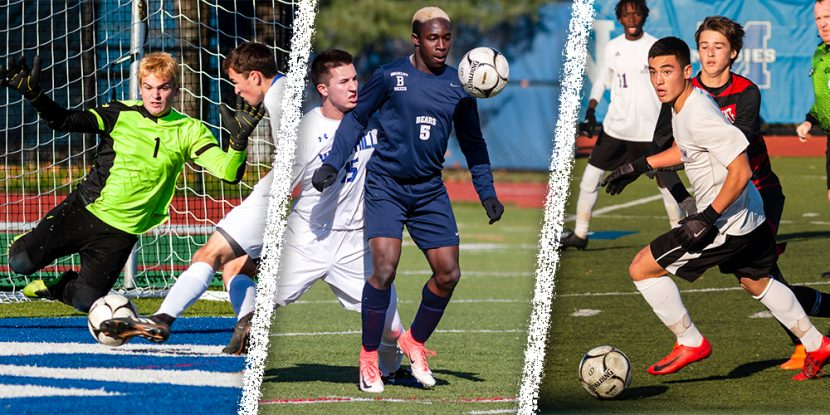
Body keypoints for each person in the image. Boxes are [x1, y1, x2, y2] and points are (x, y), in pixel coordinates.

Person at [604, 36, 830, 381]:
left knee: (642, 268)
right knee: (756, 280)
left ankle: (690, 340)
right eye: (652, 72)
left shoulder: (698, 111)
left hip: (726, 220)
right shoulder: (684, 103)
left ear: (686, 71)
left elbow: (742, 170)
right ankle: (816, 344)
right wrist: (638, 166)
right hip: (747, 213)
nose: (659, 80)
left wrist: (706, 219)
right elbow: (688, 150)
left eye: (667, 71)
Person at [312, 6, 504, 393]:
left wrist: (487, 193)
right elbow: (355, 118)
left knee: (449, 273)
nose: (441, 45)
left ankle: (414, 342)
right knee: (384, 269)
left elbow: (473, 143)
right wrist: (334, 162)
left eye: (446, 38)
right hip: (386, 185)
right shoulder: (390, 76)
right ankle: (368, 359)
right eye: (433, 38)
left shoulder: (460, 87)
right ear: (415, 39)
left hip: (429, 189)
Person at [4, 52, 264, 313]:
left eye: (163, 87)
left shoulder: (190, 130)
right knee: (20, 262)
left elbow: (229, 173)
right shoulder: (120, 113)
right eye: (149, 87)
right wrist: (34, 94)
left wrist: (238, 144)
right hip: (83, 211)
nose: (156, 95)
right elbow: (63, 121)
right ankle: (34, 239)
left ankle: (56, 287)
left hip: (121, 233)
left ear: (176, 88)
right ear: (140, 87)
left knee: (85, 302)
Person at [94, 42, 284, 353]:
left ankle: (162, 319)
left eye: (236, 82)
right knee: (235, 268)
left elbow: (303, 159)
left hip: (284, 198)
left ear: (255, 76)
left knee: (207, 255)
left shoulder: (278, 98)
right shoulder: (291, 89)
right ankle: (252, 325)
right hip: (302, 198)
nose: (236, 91)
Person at [561, 0, 682, 250]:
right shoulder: (613, 47)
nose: (631, 18)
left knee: (665, 182)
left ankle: (680, 233)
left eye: (636, 13)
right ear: (619, 18)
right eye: (626, 14)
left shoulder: (654, 47)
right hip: (616, 128)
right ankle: (581, 234)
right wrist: (592, 109)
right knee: (590, 178)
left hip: (649, 131)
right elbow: (603, 79)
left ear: (644, 16)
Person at [797, 0, 830, 278]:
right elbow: (824, 100)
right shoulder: (820, 54)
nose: (823, 23)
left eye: (828, 16)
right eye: (819, 18)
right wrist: (811, 119)